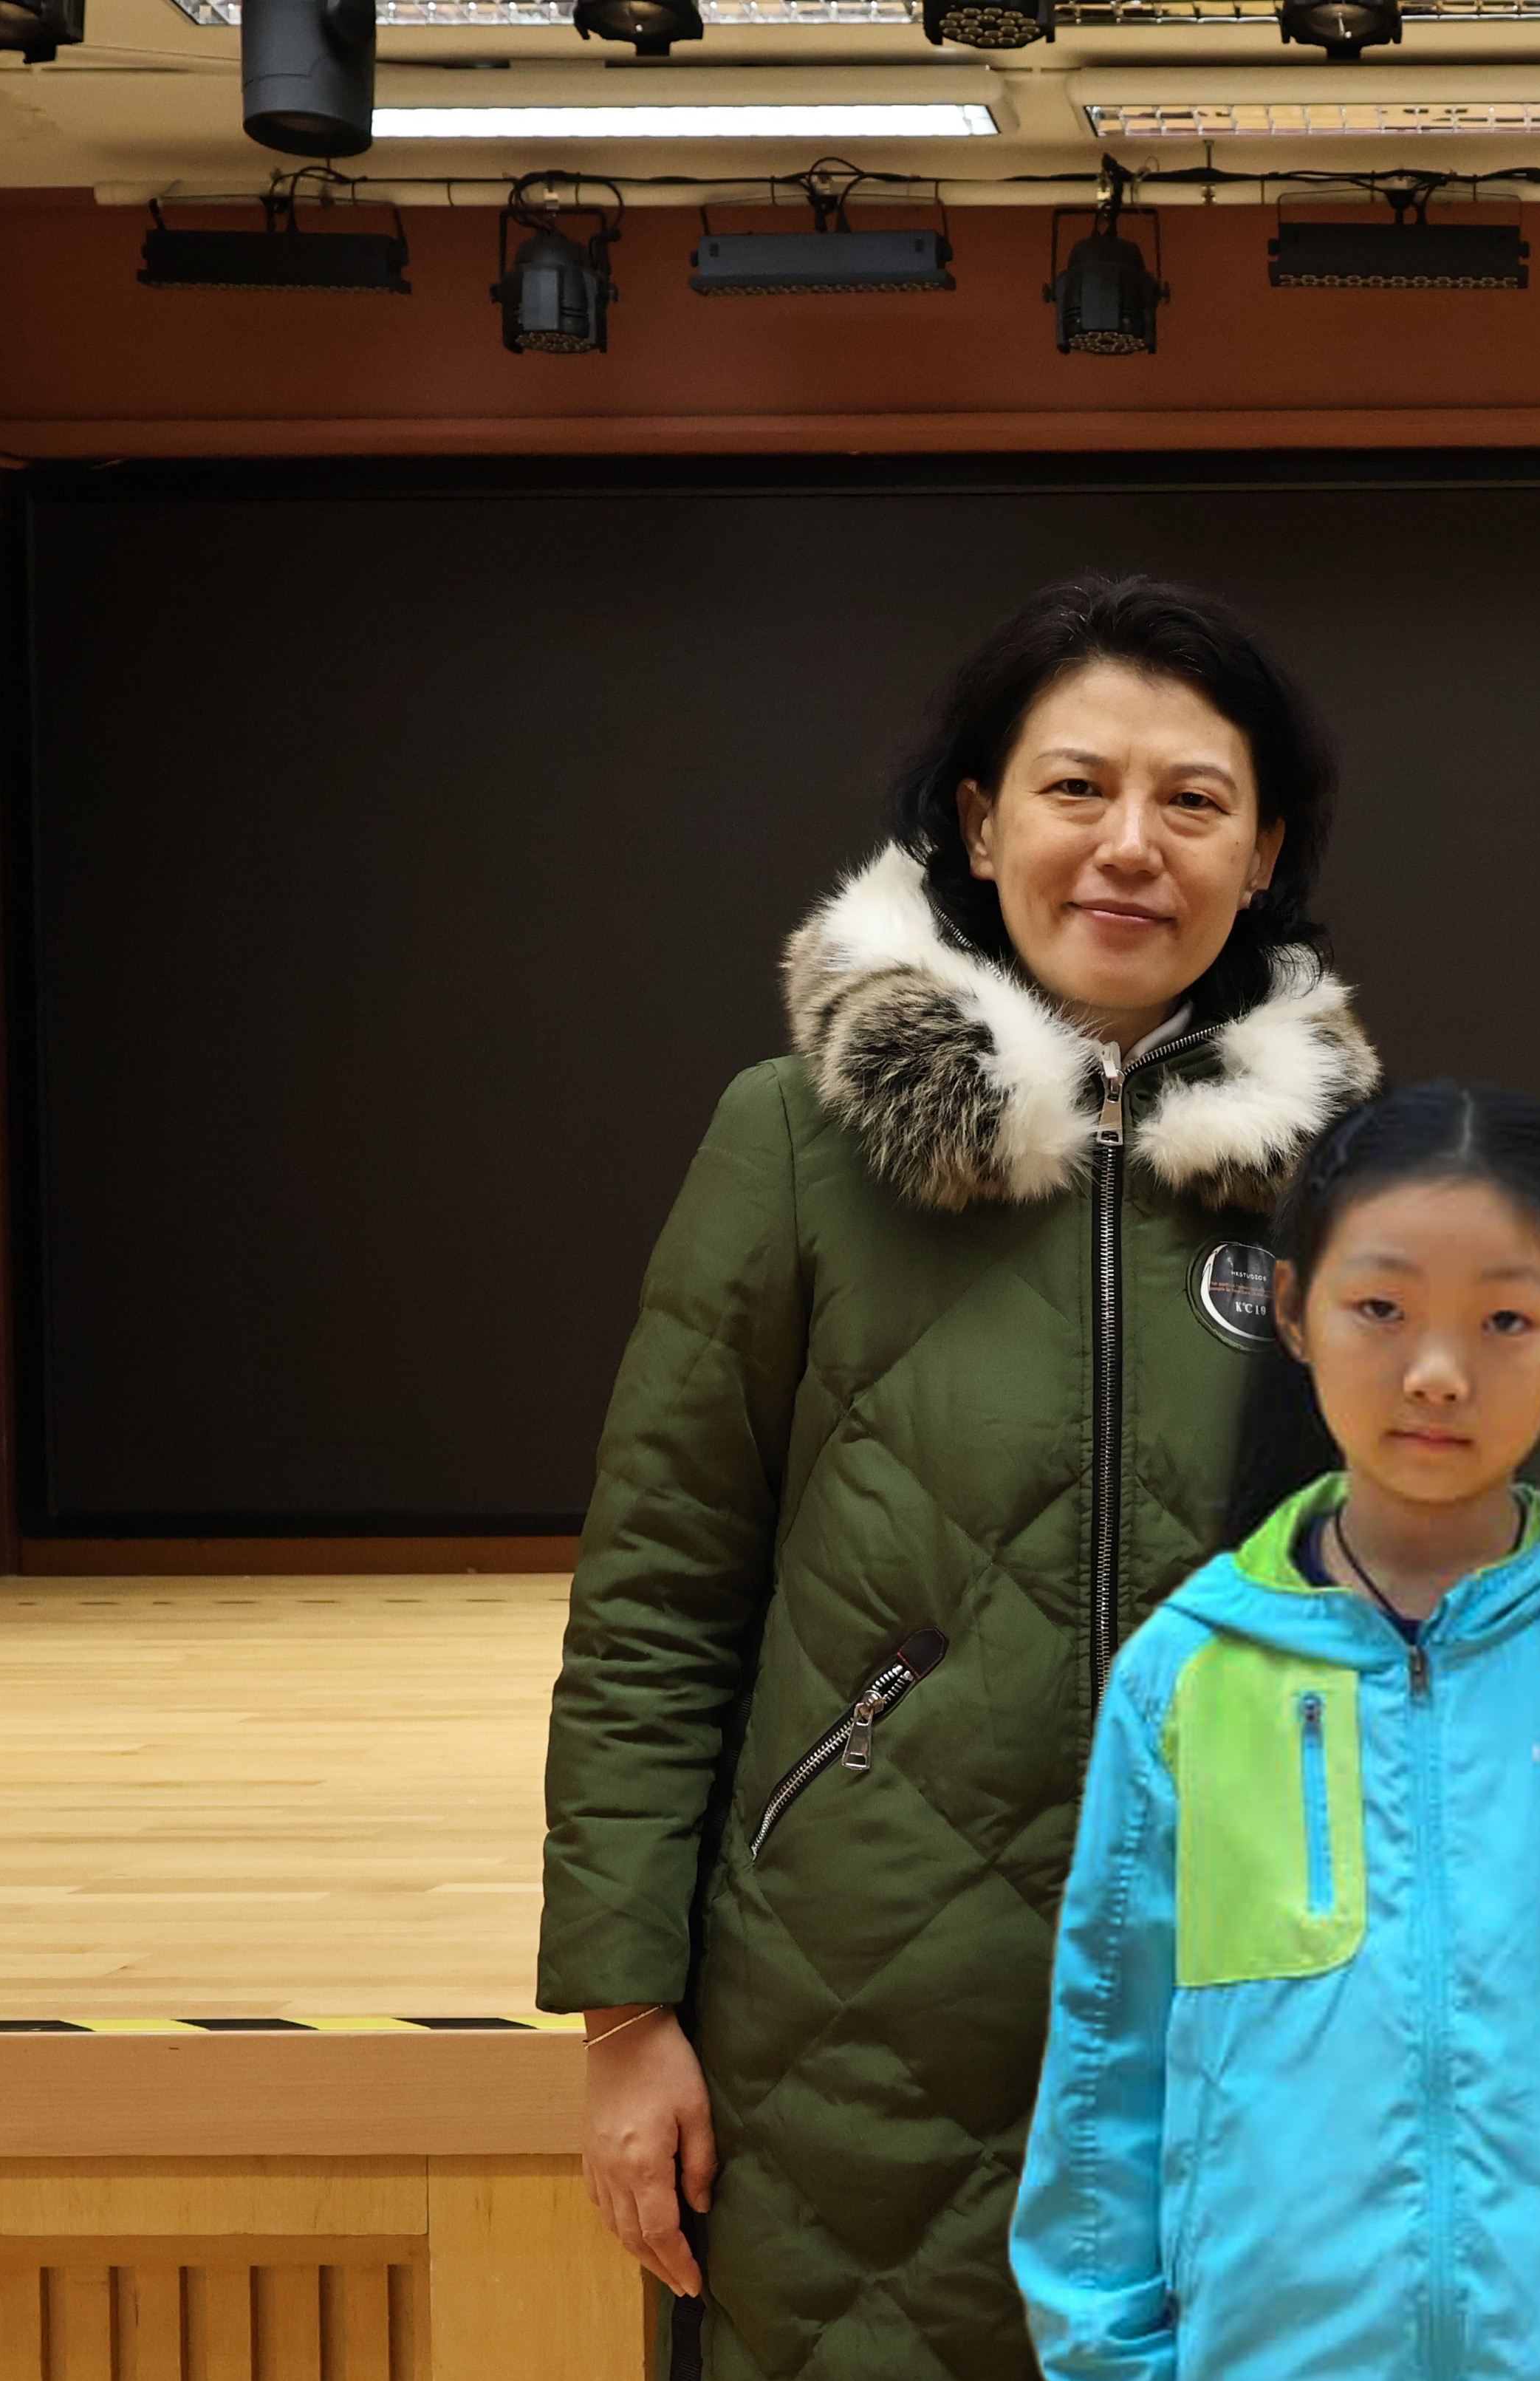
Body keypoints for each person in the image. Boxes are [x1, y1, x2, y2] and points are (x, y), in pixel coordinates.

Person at [538, 575, 1380, 2381]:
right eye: (1077, 788)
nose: (1130, 845)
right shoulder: (791, 1138)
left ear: (1261, 854)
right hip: (842, 2021)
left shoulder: (1353, 1190)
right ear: (982, 823)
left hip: (1248, 2013)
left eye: (1193, 800)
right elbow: (658, 1594)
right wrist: (622, 2012)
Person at [1011, 1082, 1540, 2381]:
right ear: (1292, 1311)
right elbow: (1104, 2086)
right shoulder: (1187, 1676)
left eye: (1505, 1319)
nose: (1436, 1372)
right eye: (1381, 1308)